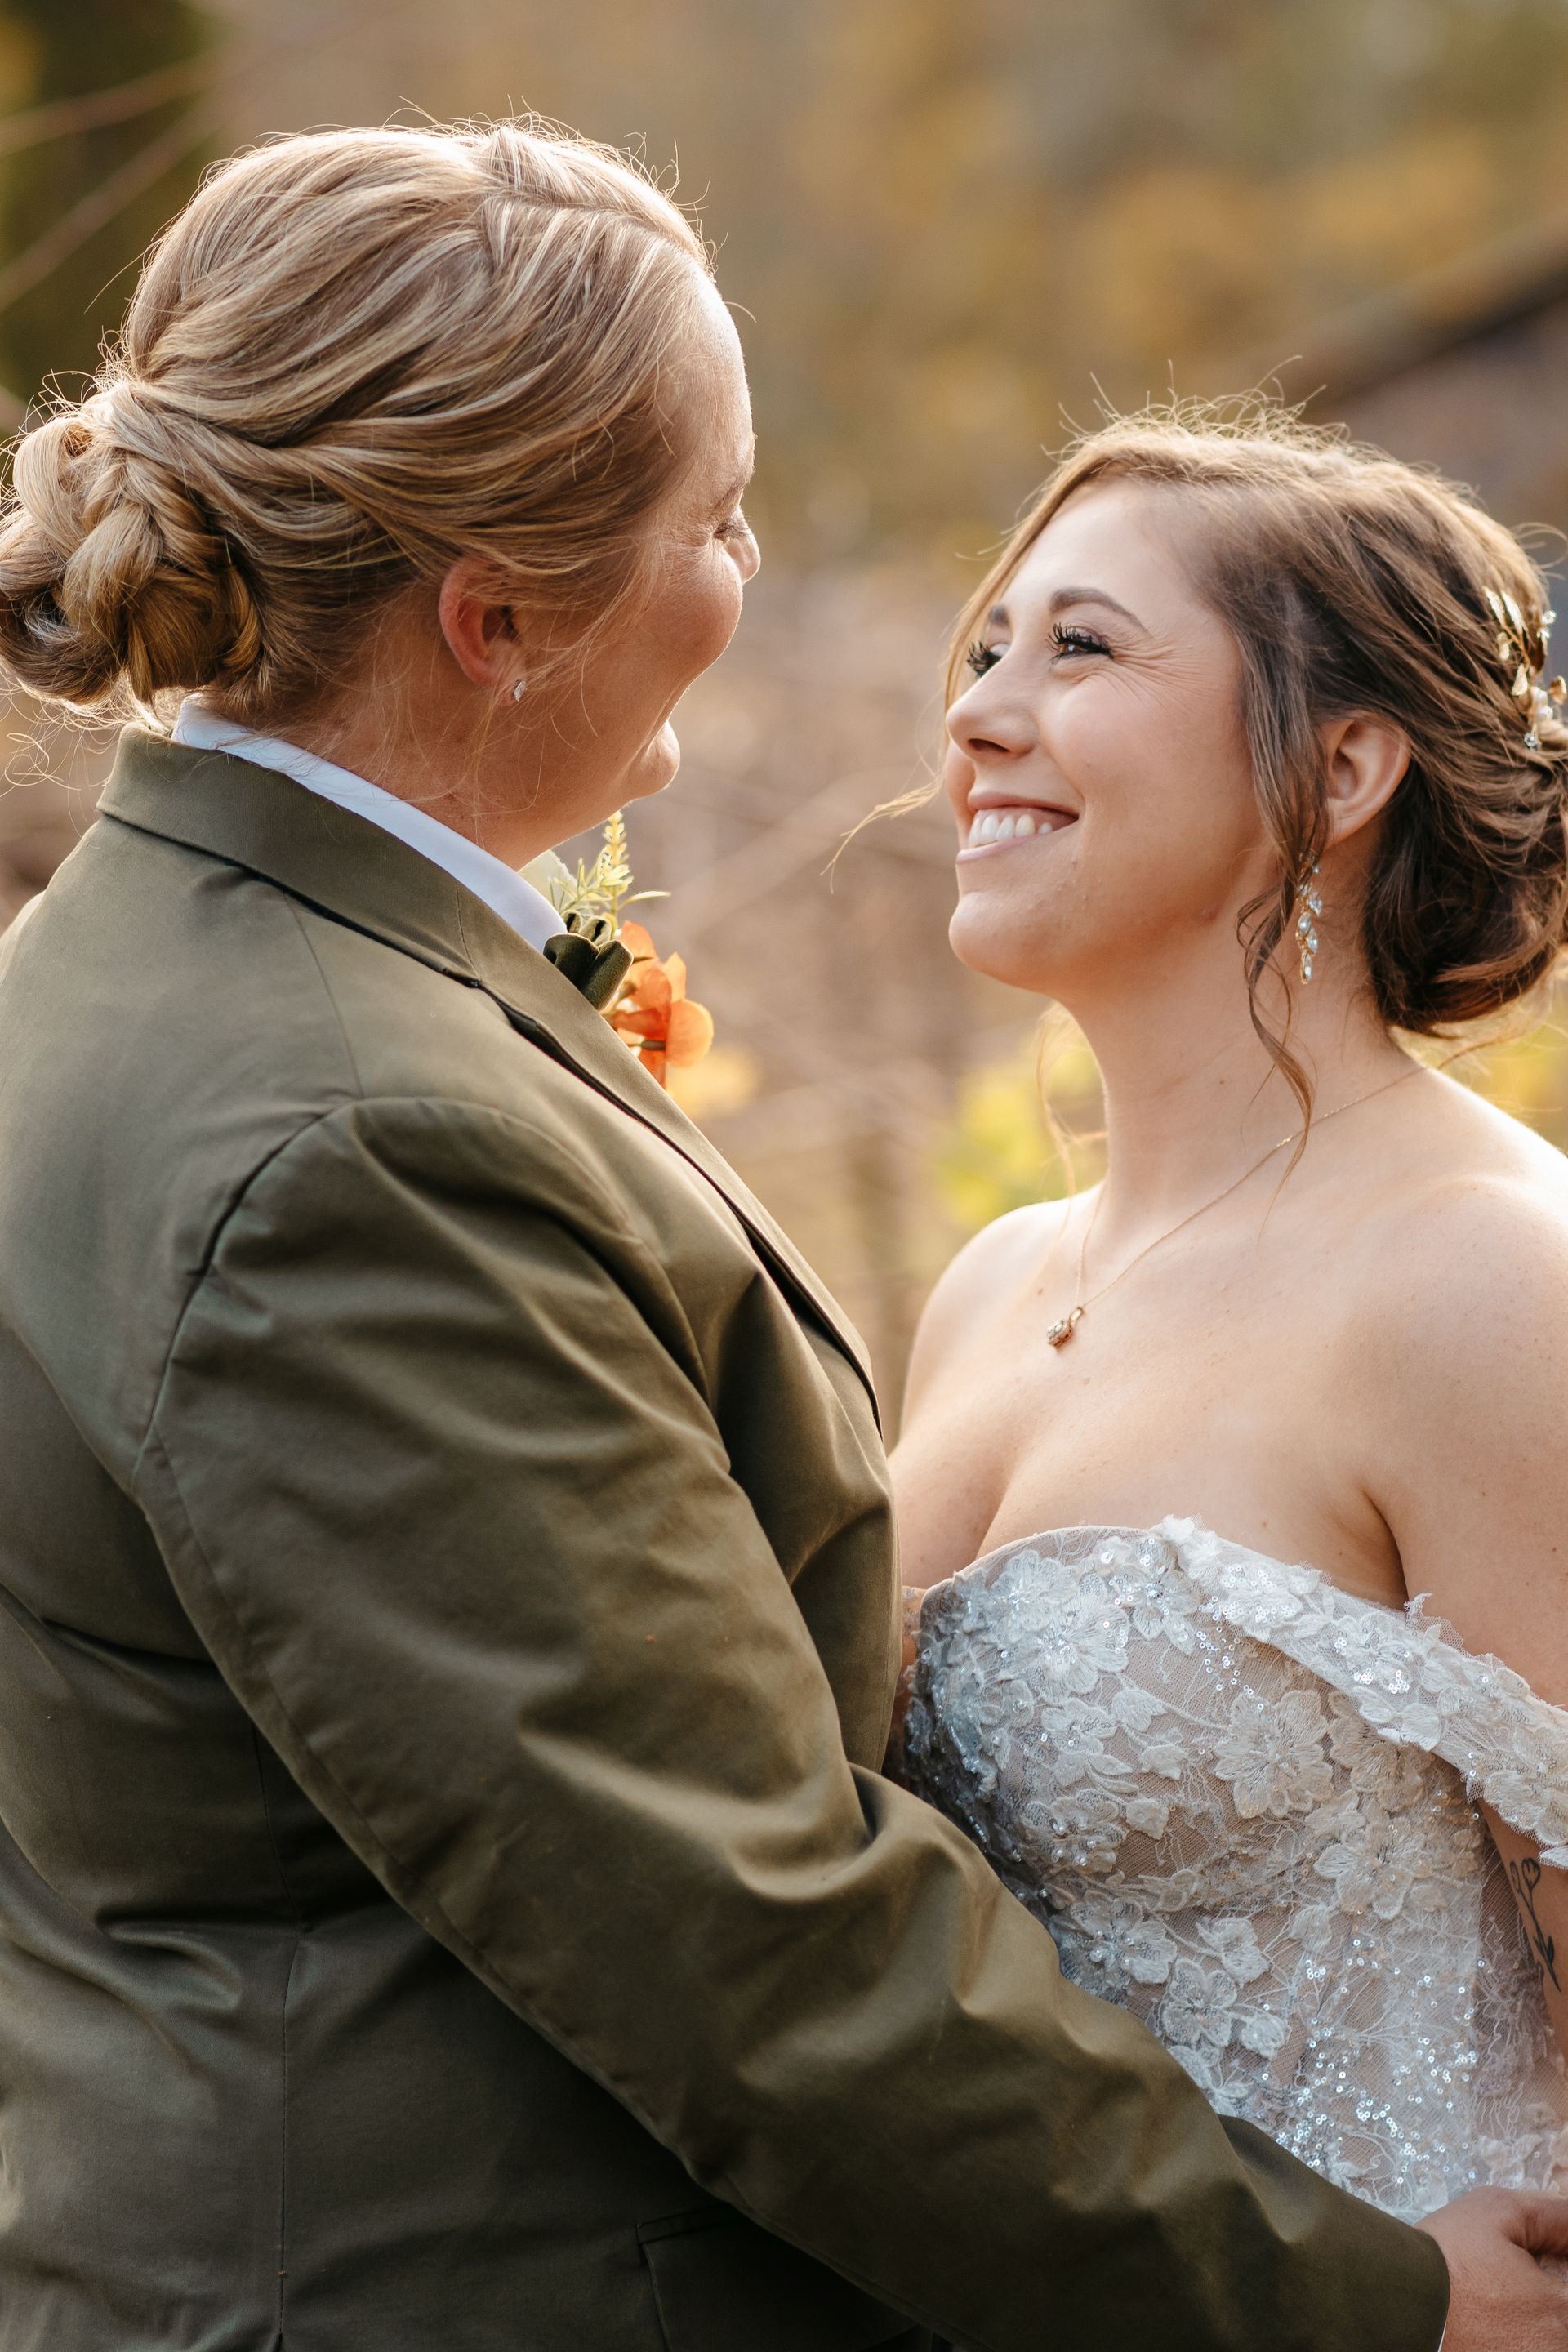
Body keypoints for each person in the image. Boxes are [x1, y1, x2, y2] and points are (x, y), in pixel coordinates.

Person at [0, 118, 1543, 2352]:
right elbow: (732, 1924)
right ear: (497, 616)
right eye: (718, 518)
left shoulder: (170, 984)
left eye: (1079, 644)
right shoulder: (351, 1124)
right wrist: (1350, 2298)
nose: (960, 696)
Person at [894, 404, 1568, 2254]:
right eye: (988, 647)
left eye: (1082, 646)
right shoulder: (989, 1287)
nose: (977, 712)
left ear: (1342, 767)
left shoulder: (1486, 1279)